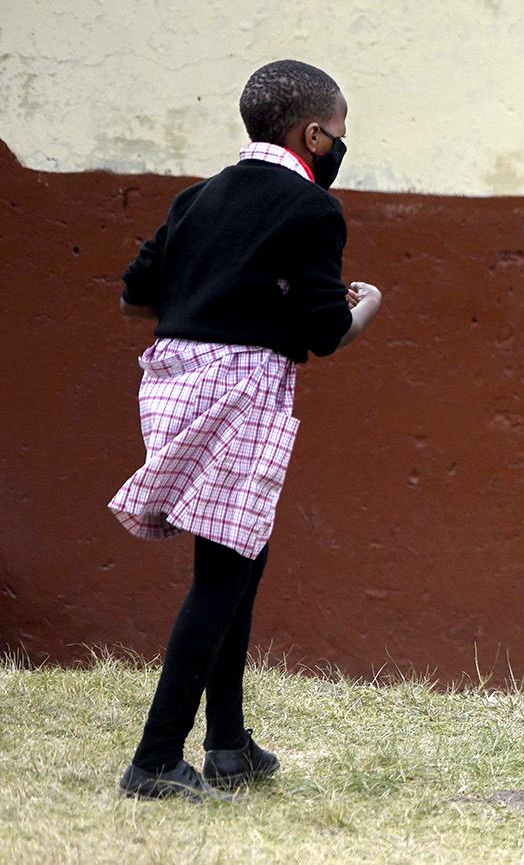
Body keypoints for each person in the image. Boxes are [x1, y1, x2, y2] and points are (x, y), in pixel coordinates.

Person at [111, 59, 383, 800]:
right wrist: (368, 304)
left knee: (242, 556)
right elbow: (326, 332)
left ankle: (228, 744)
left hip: (170, 388)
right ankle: (157, 759)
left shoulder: (196, 199)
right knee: (224, 571)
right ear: (314, 133)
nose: (339, 146)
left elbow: (139, 299)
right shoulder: (312, 211)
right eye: (340, 134)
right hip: (243, 396)